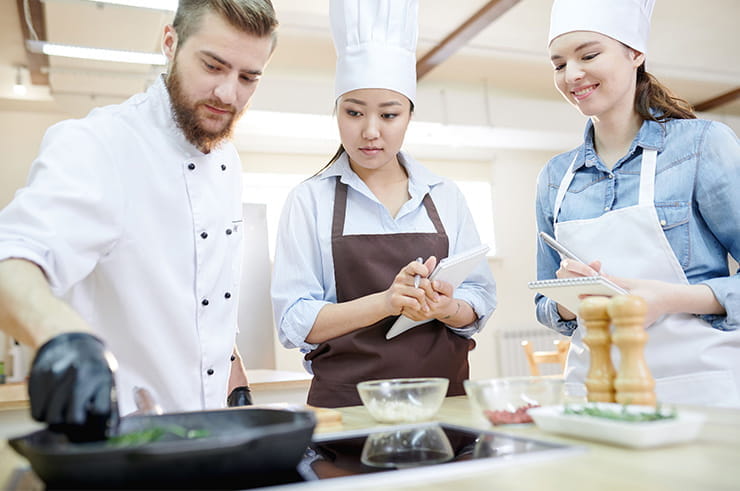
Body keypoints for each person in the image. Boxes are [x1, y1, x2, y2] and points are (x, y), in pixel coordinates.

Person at [0, 0, 279, 439]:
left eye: (248, 78)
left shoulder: (228, 160)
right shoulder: (99, 144)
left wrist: (234, 378)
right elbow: (12, 257)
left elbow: (206, 296)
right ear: (170, 43)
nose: (229, 94)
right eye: (213, 66)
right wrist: (62, 338)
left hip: (208, 438)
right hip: (122, 445)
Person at [271, 0, 497, 408]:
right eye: (353, 112)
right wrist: (386, 302)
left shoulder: (444, 195)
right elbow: (293, 322)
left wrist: (447, 308)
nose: (370, 132)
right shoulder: (309, 200)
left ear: (409, 115)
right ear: (336, 111)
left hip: (445, 403)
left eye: (389, 115)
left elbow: (479, 299)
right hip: (347, 409)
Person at [535, 0, 740, 406]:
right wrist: (571, 298)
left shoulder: (700, 146)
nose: (572, 74)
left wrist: (667, 299)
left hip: (697, 391)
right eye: (559, 65)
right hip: (592, 394)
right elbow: (544, 304)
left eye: (589, 55)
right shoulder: (555, 177)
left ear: (635, 54)